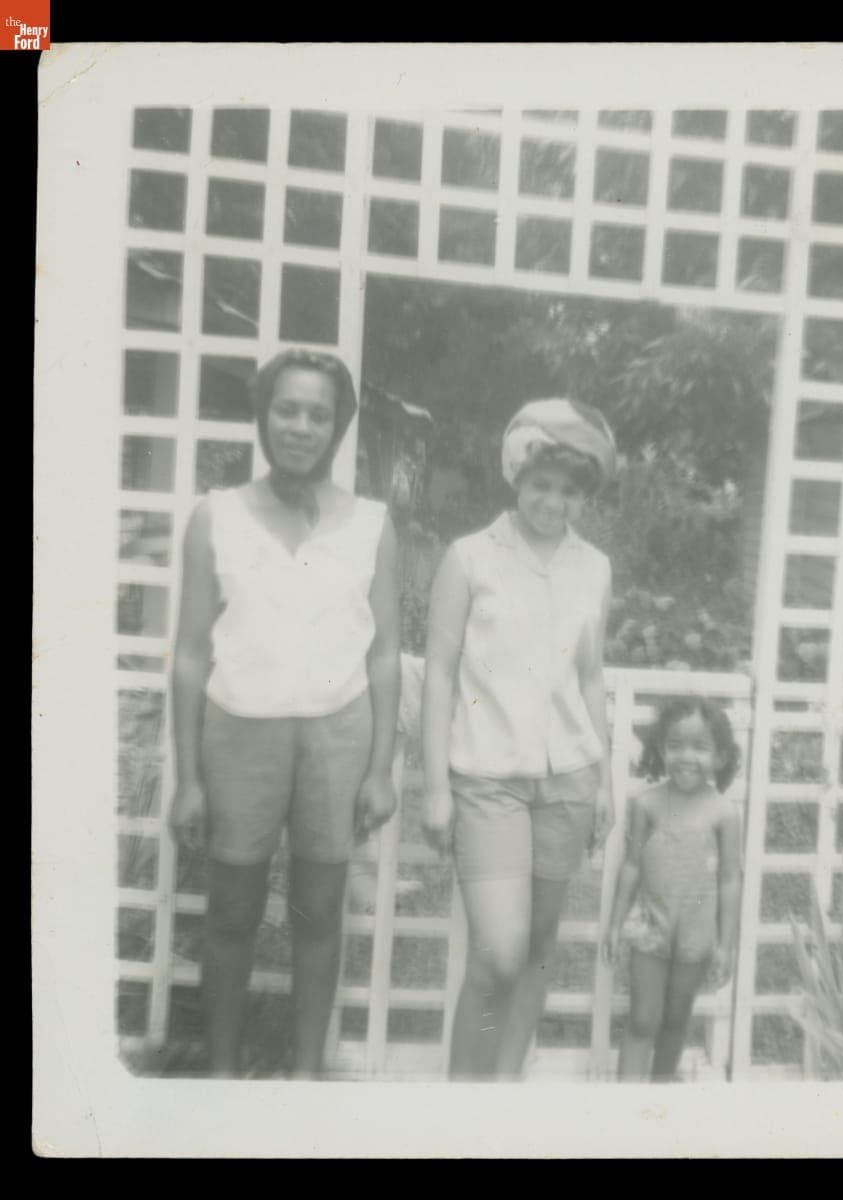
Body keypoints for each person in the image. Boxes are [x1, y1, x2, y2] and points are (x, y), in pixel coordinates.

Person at [168, 347, 401, 1079]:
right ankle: (223, 1074)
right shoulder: (217, 517)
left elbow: (387, 655)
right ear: (264, 418)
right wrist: (189, 779)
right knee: (232, 909)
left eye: (318, 414)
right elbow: (190, 654)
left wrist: (380, 769)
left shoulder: (371, 524)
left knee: (318, 911)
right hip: (240, 732)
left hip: (338, 734)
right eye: (287, 410)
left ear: (338, 427)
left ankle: (305, 1077)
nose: (301, 426)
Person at [421, 397, 618, 1080]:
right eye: (542, 484)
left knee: (536, 943)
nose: (553, 501)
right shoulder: (470, 557)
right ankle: (461, 1102)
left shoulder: (593, 567)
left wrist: (608, 783)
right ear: (516, 477)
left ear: (583, 496)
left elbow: (590, 679)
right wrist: (436, 788)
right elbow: (440, 676)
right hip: (488, 779)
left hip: (568, 779)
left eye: (569, 490)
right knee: (498, 950)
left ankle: (503, 1095)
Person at [603, 697, 743, 1081]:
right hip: (650, 926)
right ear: (660, 749)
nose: (686, 756)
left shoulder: (723, 814)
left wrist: (726, 944)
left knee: (676, 1020)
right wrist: (615, 925)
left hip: (696, 935)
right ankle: (628, 1106)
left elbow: (730, 879)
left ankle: (661, 1101)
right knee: (643, 1019)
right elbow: (631, 866)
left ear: (719, 756)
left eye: (700, 747)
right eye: (675, 745)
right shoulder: (647, 804)